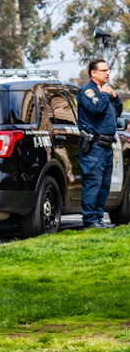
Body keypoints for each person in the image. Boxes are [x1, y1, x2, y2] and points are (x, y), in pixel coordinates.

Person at [77, 59, 123, 229]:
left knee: (104, 184)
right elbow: (96, 109)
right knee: (93, 183)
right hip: (94, 147)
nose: (107, 73)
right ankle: (90, 220)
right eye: (104, 70)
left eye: (108, 70)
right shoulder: (87, 91)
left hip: (106, 146)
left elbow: (117, 111)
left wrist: (114, 96)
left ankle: (98, 218)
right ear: (93, 73)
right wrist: (105, 94)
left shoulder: (104, 92)